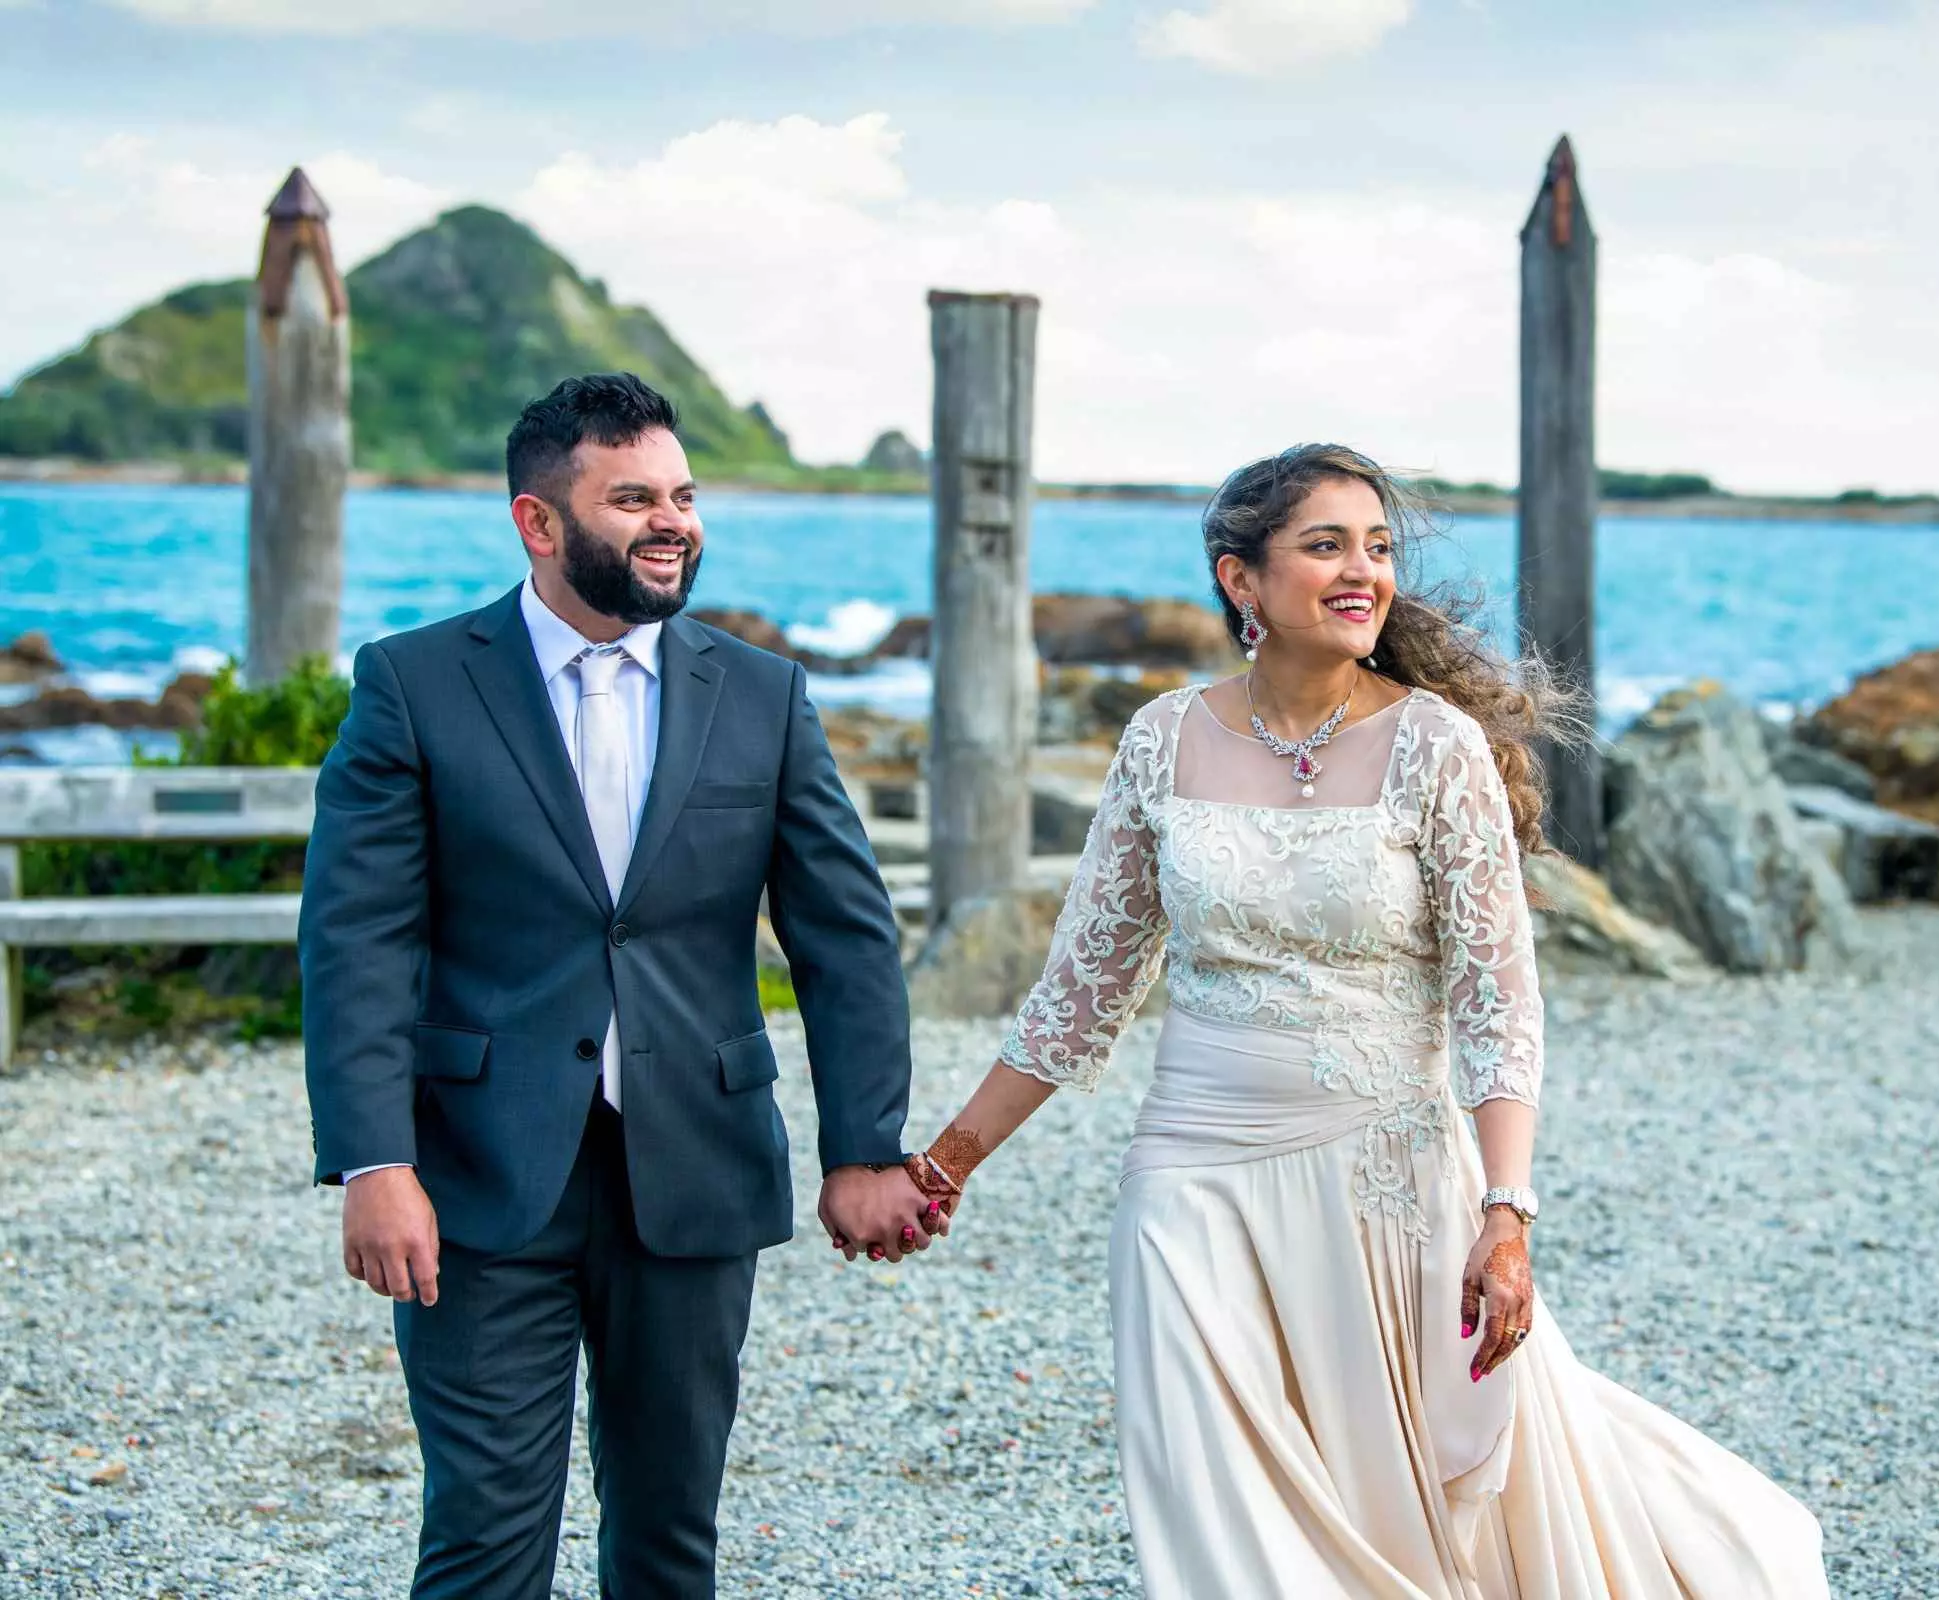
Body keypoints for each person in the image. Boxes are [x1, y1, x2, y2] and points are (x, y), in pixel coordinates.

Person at [903, 444, 1831, 1597]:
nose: (1364, 572)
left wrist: (1507, 1213)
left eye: (1379, 546)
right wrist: (942, 1164)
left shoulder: (1434, 745)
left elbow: (1499, 998)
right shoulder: (1162, 740)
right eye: (1327, 544)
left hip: (1387, 1181)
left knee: (1389, 1512)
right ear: (1241, 581)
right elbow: (1082, 990)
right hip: (1189, 1179)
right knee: (1221, 1512)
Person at [299, 372, 932, 1599]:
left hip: (695, 1168)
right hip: (478, 1179)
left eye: (684, 495)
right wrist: (373, 1162)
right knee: (484, 1539)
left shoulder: (763, 695)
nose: (673, 522)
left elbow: (845, 936)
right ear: (540, 523)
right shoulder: (413, 683)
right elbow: (357, 937)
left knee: (666, 1539)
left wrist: (866, 1145)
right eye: (633, 497)